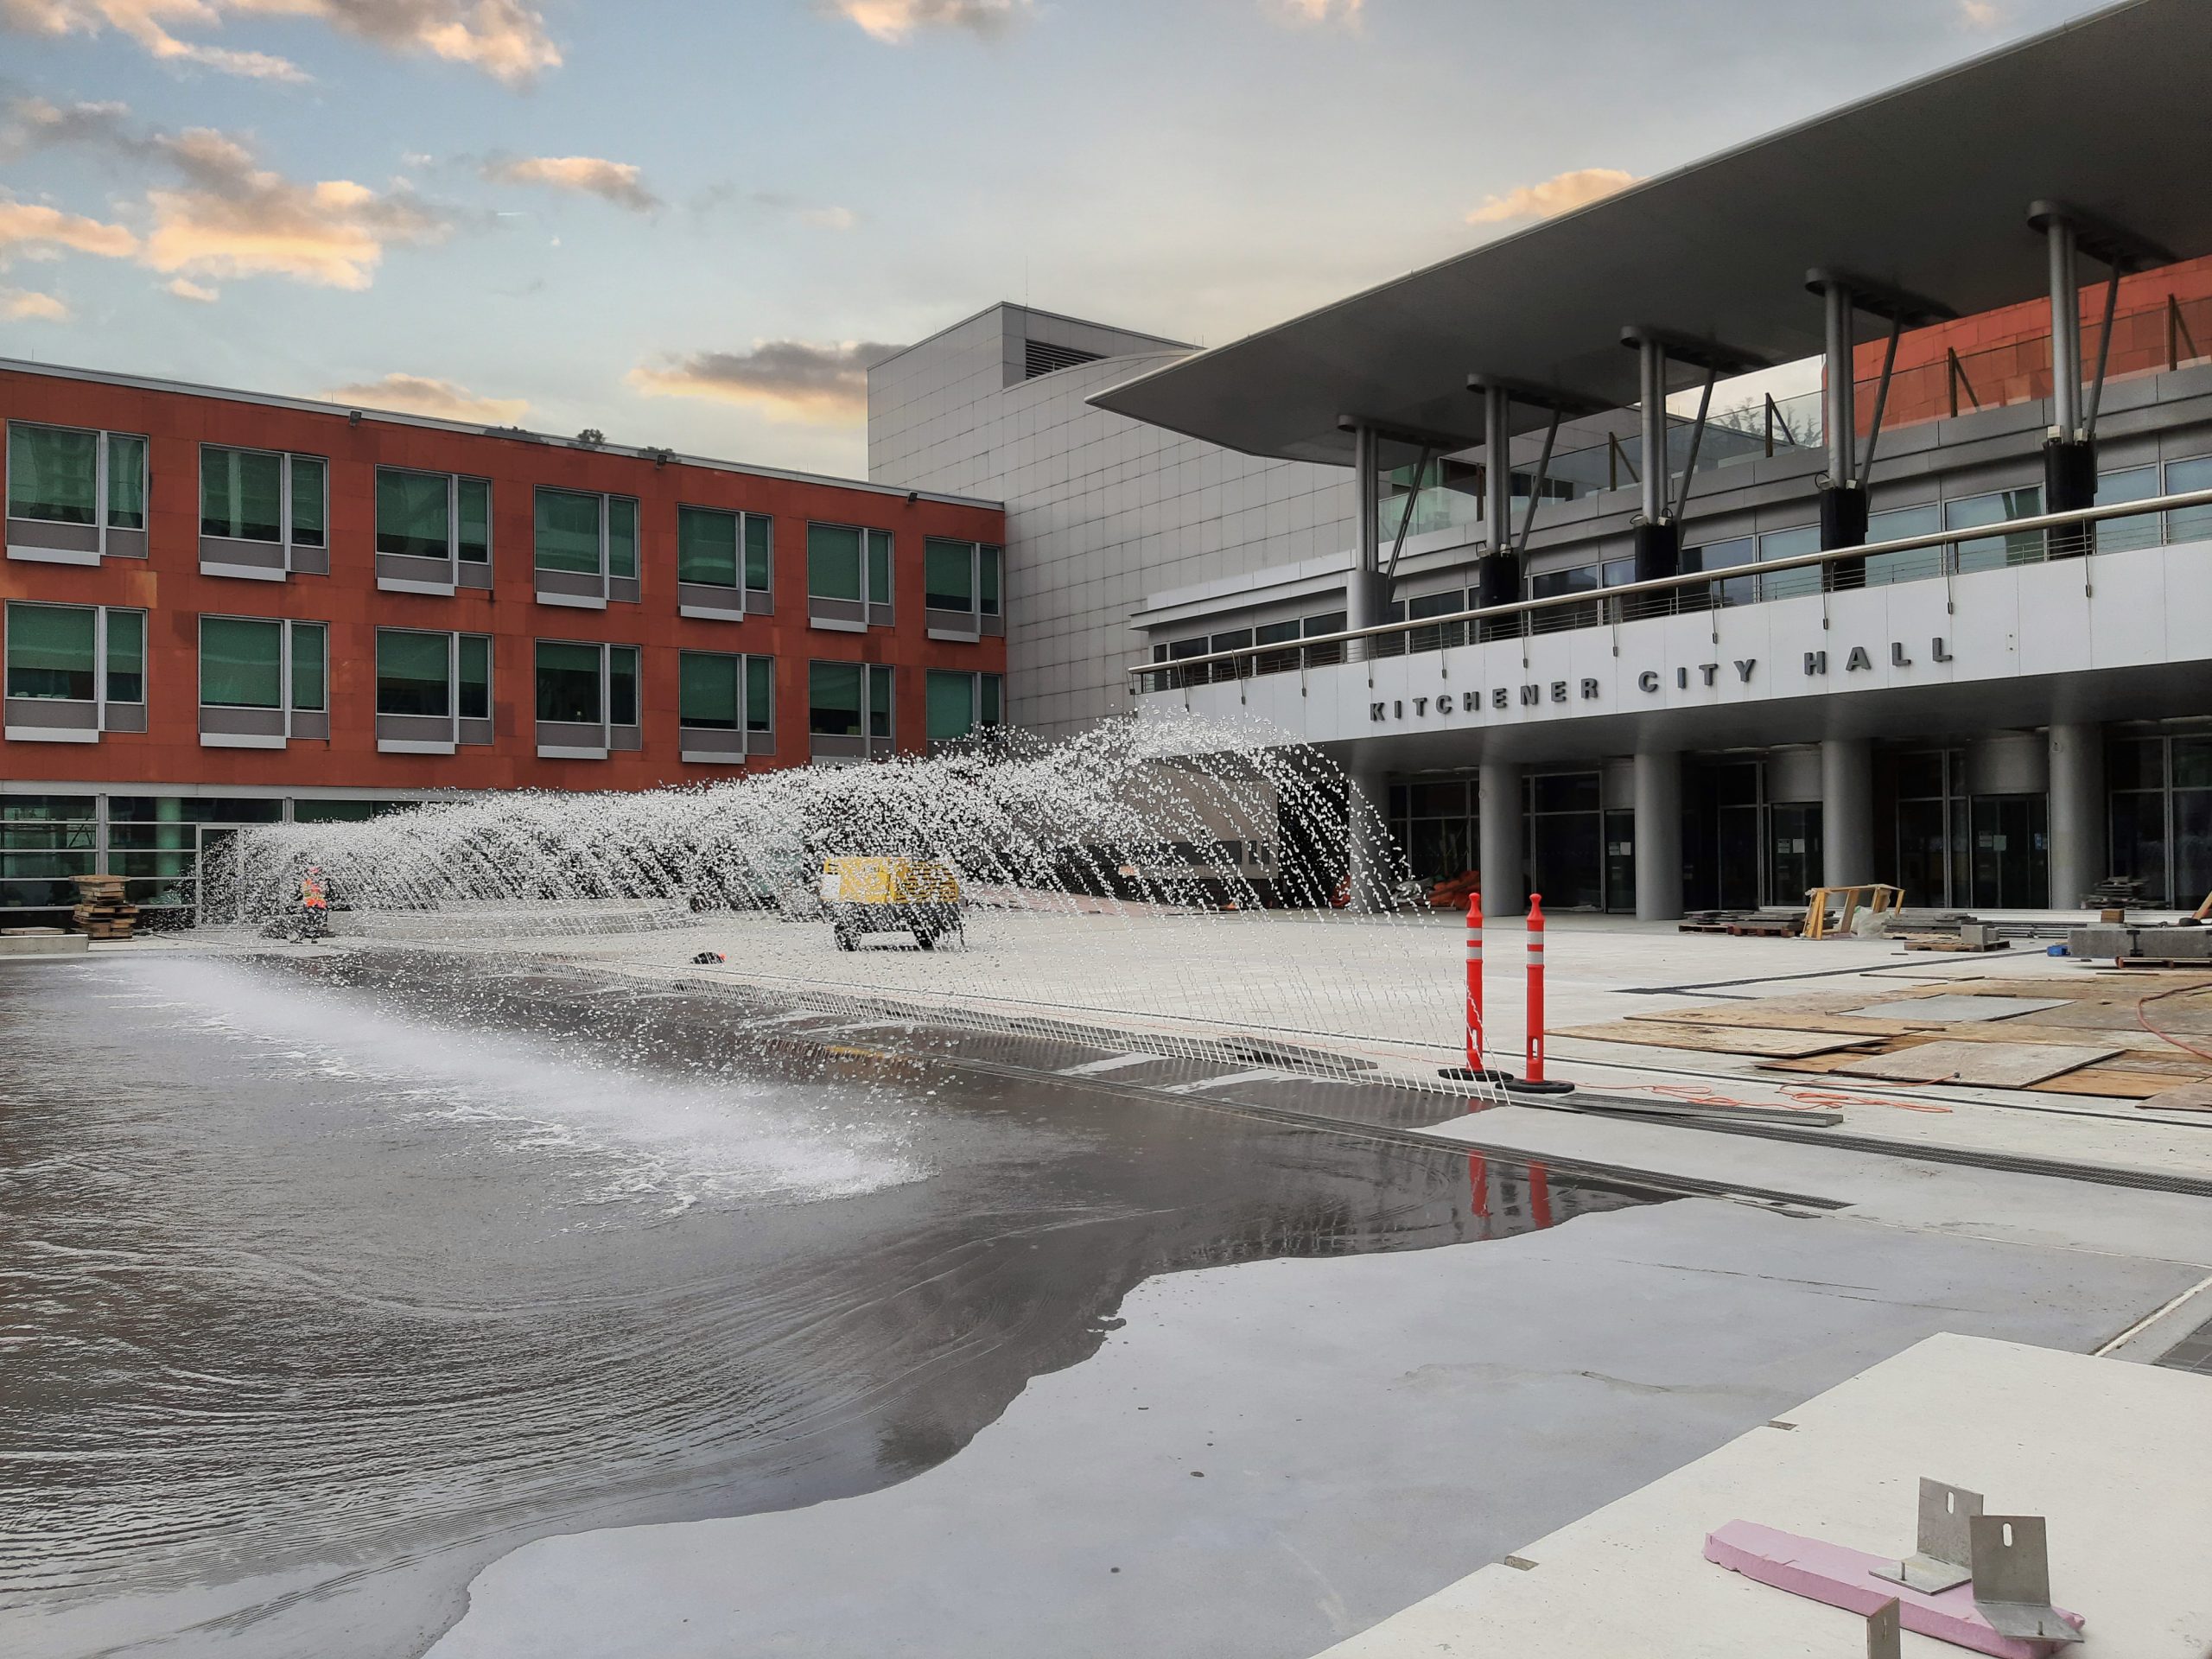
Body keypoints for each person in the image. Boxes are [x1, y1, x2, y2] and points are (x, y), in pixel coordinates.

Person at [296, 866, 329, 938]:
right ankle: (306, 933)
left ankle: (314, 933)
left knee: (318, 918)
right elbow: (304, 891)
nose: (314, 876)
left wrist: (320, 890)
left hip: (318, 903)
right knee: (308, 918)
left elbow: (324, 892)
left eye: (316, 874)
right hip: (310, 902)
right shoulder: (306, 882)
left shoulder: (321, 882)